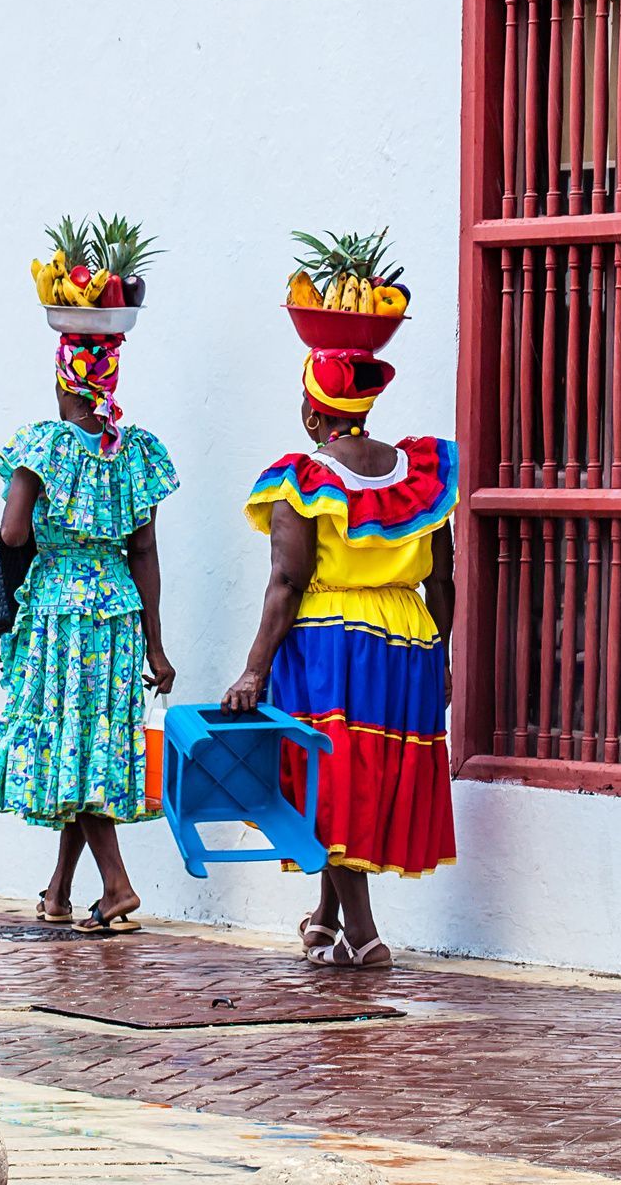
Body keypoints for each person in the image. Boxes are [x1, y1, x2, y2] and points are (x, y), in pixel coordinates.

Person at [223, 348, 457, 970]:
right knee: (364, 776)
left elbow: (287, 580)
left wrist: (254, 669)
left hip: (331, 638)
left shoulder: (301, 478)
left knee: (329, 783)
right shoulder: (422, 473)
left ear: (311, 412)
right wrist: (444, 658)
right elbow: (444, 579)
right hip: (409, 637)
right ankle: (327, 918)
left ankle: (364, 932)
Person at [0, 334, 178, 934]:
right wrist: (157, 646)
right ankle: (61, 891)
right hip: (117, 612)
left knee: (74, 745)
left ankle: (116, 886)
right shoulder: (134, 452)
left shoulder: (44, 446)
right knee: (90, 745)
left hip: (61, 612)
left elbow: (13, 534)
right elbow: (144, 551)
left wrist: (47, 524)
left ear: (64, 379)